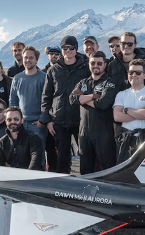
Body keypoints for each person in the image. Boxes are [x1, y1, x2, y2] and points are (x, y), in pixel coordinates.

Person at [40, 35, 91, 173]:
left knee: (85, 154)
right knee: (62, 156)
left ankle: (86, 183)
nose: (68, 50)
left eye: (71, 48)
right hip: (59, 120)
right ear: (61, 50)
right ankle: (63, 187)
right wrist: (48, 120)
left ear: (76, 49)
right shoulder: (53, 70)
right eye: (65, 48)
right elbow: (46, 97)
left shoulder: (85, 68)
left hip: (80, 119)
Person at [70, 51, 119, 174]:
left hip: (104, 134)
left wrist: (83, 99)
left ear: (105, 65)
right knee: (85, 170)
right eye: (93, 63)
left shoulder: (110, 82)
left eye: (99, 63)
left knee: (106, 170)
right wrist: (93, 96)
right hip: (84, 134)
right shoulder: (83, 83)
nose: (95, 65)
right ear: (89, 64)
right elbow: (72, 99)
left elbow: (103, 104)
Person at [113, 59, 145, 164]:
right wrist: (140, 112)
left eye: (138, 72)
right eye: (131, 72)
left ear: (144, 75)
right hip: (126, 139)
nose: (134, 75)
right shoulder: (121, 94)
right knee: (124, 172)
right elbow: (117, 116)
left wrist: (127, 110)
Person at [9, 46, 46, 166]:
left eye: (31, 58)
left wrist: (43, 120)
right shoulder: (17, 78)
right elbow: (13, 101)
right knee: (21, 155)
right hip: (21, 124)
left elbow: (48, 101)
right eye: (26, 57)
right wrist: (15, 120)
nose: (28, 60)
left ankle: (40, 182)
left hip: (38, 125)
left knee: (38, 157)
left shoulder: (44, 78)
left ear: (36, 60)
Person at [107, 32, 145, 97]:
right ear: (120, 44)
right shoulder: (113, 65)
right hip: (118, 104)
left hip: (142, 104)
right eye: (123, 44)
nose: (126, 46)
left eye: (130, 44)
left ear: (135, 45)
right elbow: (109, 89)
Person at [42, 45, 61, 171]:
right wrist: (47, 118)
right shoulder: (42, 73)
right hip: (49, 116)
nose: (54, 56)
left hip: (62, 116)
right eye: (51, 53)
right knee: (50, 148)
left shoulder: (63, 70)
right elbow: (44, 97)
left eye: (56, 53)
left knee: (62, 148)